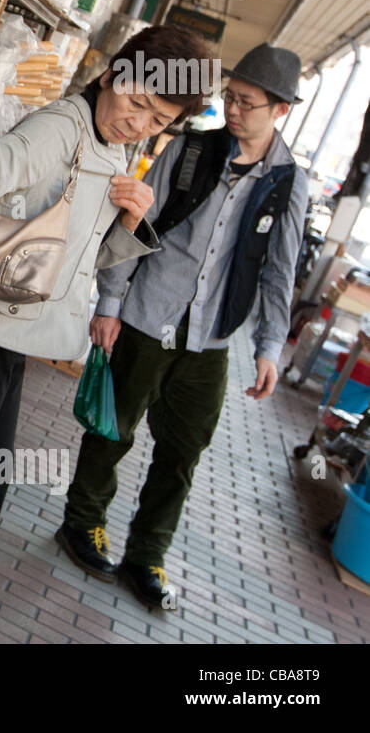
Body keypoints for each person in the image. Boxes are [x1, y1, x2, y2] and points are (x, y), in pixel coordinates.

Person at [0, 26, 213, 644]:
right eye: (136, 103)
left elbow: (70, 253)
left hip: (15, 328)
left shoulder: (113, 144)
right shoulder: (60, 129)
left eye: (157, 118)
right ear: (111, 76)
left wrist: (130, 221)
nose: (139, 123)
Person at [58, 43, 307, 609]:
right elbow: (136, 222)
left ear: (280, 110)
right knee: (110, 430)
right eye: (230, 97)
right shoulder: (191, 150)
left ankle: (147, 556)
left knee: (182, 454)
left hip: (211, 342)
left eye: (246, 102)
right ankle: (81, 525)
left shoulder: (289, 182)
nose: (233, 110)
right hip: (147, 318)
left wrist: (269, 348)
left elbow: (280, 271)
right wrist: (110, 304)